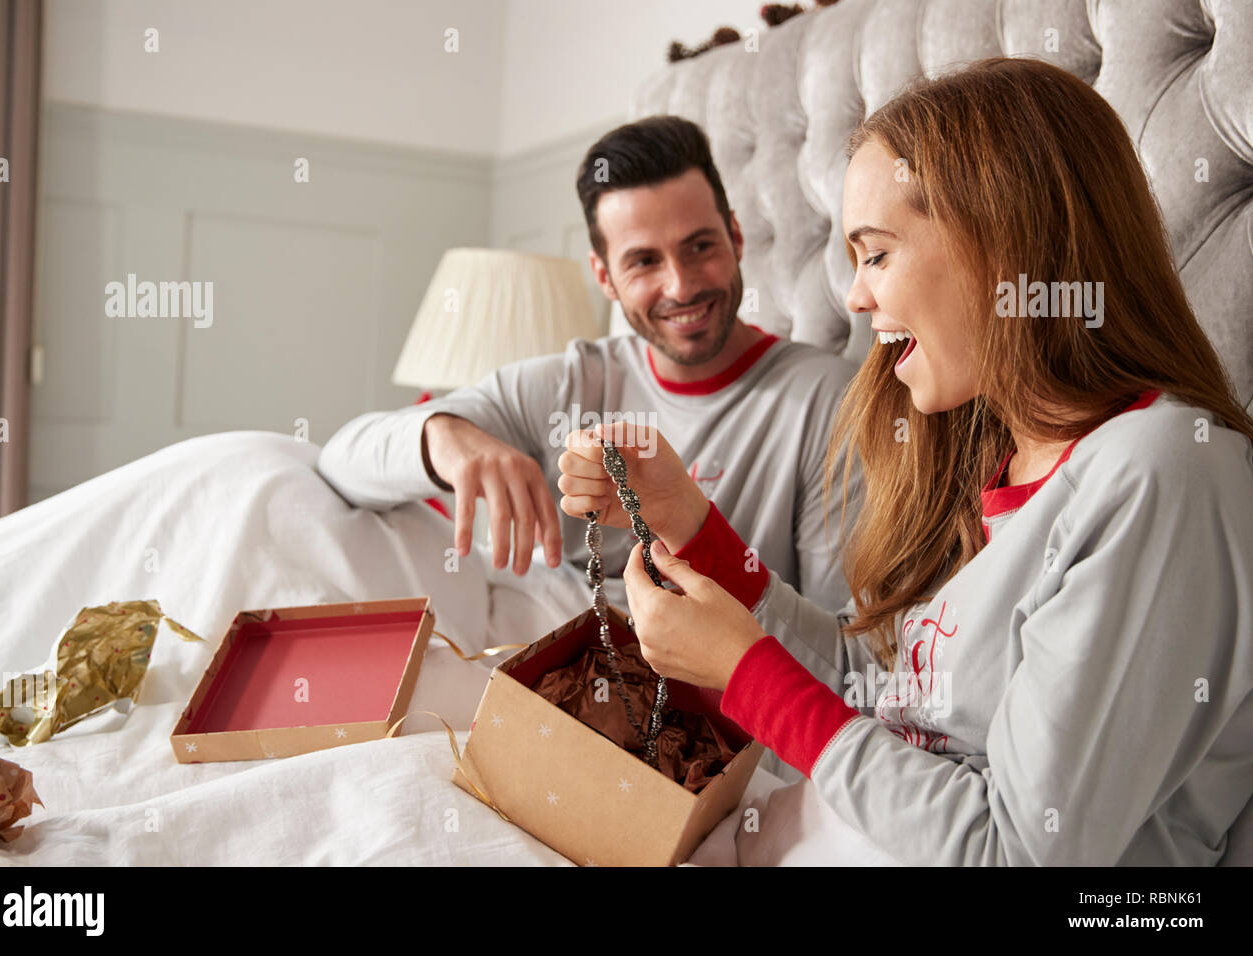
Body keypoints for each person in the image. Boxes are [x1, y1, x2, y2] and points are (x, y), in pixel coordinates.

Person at [560, 57, 1253, 865]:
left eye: (877, 254)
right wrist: (695, 530)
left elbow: (1018, 852)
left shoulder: (1161, 473)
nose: (855, 298)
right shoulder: (1001, 458)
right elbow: (890, 694)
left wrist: (748, 676)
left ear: (1005, 243)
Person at [317, 116, 863, 623]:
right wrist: (448, 437)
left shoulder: (829, 401)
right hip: (553, 679)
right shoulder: (568, 383)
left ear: (736, 237)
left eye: (699, 247)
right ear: (604, 276)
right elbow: (340, 461)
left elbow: (838, 640)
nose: (681, 285)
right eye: (644, 261)